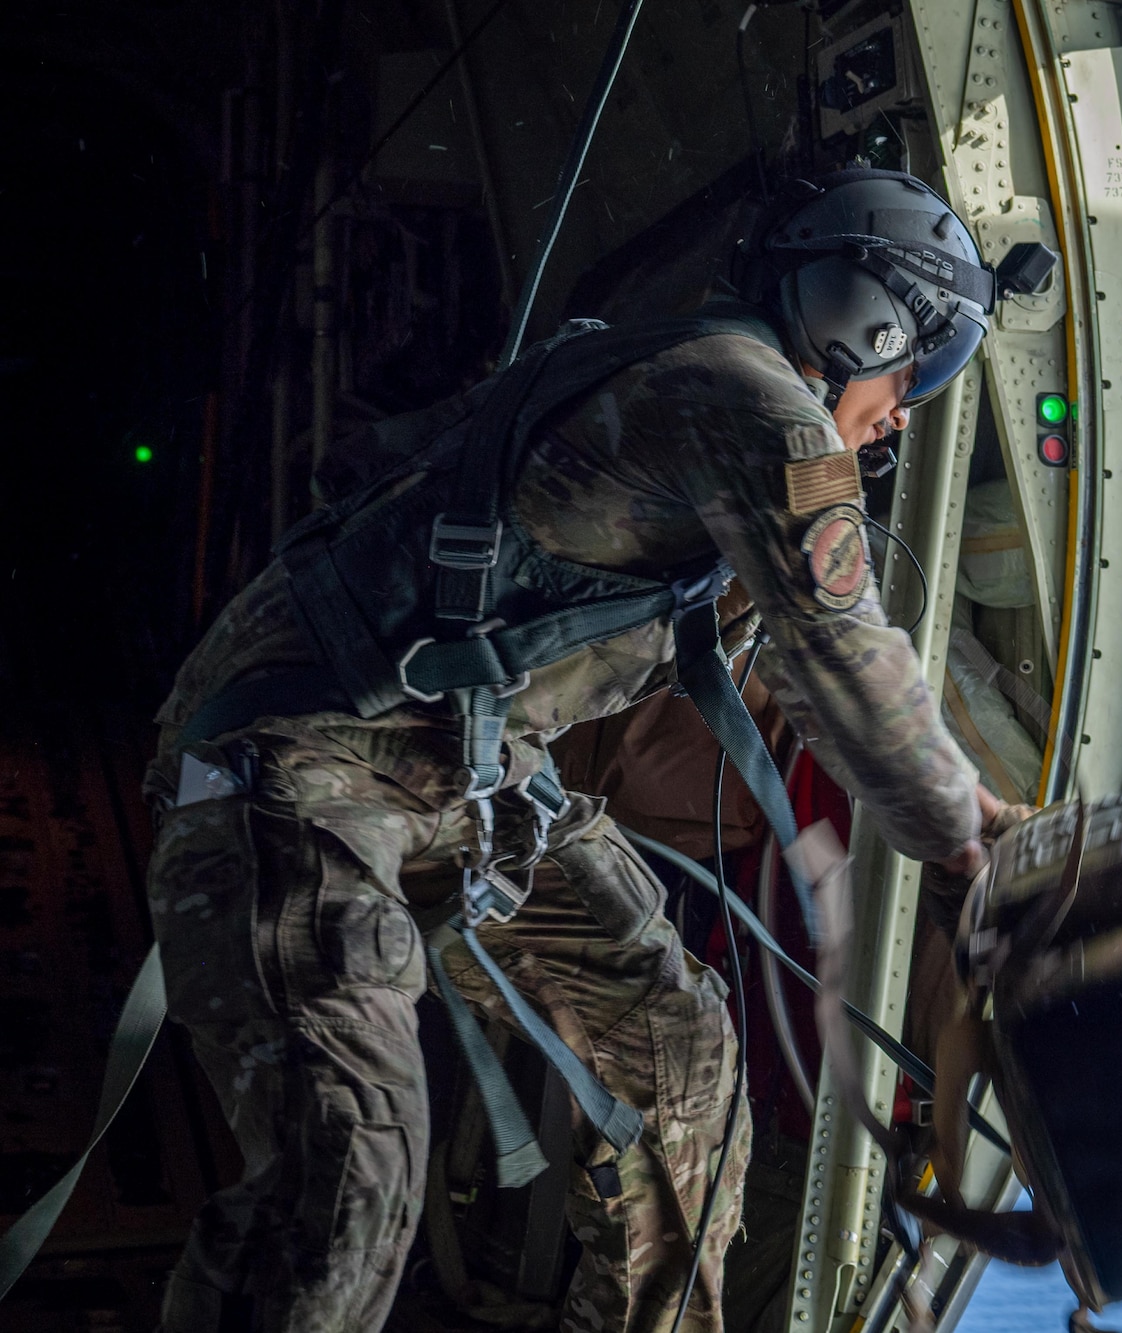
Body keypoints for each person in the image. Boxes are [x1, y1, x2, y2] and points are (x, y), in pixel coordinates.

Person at [142, 167, 1011, 1333]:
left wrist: (973, 814)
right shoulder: (761, 409)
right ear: (865, 318)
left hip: (458, 771)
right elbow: (846, 658)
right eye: (921, 365)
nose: (907, 407)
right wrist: (969, 843)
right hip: (297, 758)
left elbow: (800, 678)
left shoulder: (692, 384)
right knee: (353, 1173)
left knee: (677, 1045)